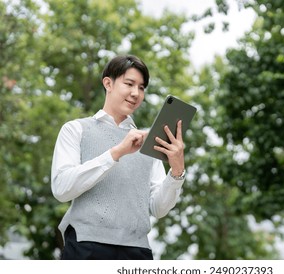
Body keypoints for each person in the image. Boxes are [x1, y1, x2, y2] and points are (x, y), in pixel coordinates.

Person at [51, 54, 186, 260]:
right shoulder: (76, 129)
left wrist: (176, 172)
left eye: (141, 87)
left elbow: (157, 209)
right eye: (129, 84)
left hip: (137, 251)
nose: (135, 93)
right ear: (108, 83)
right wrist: (117, 152)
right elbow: (61, 189)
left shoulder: (148, 140)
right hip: (86, 246)